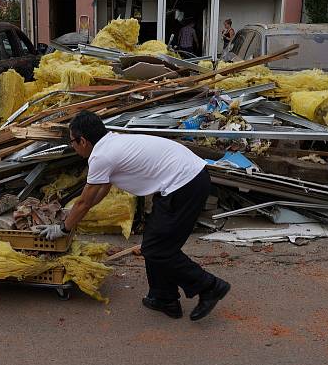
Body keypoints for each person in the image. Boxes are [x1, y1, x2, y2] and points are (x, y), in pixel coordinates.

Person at [36, 111, 231, 321]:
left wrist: (63, 228)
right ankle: (164, 298)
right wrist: (75, 216)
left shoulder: (101, 156)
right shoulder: (111, 143)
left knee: (159, 250)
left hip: (184, 183)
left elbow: (83, 201)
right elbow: (100, 191)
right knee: (153, 243)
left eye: (72, 141)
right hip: (184, 179)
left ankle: (210, 286)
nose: (73, 147)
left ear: (82, 140)